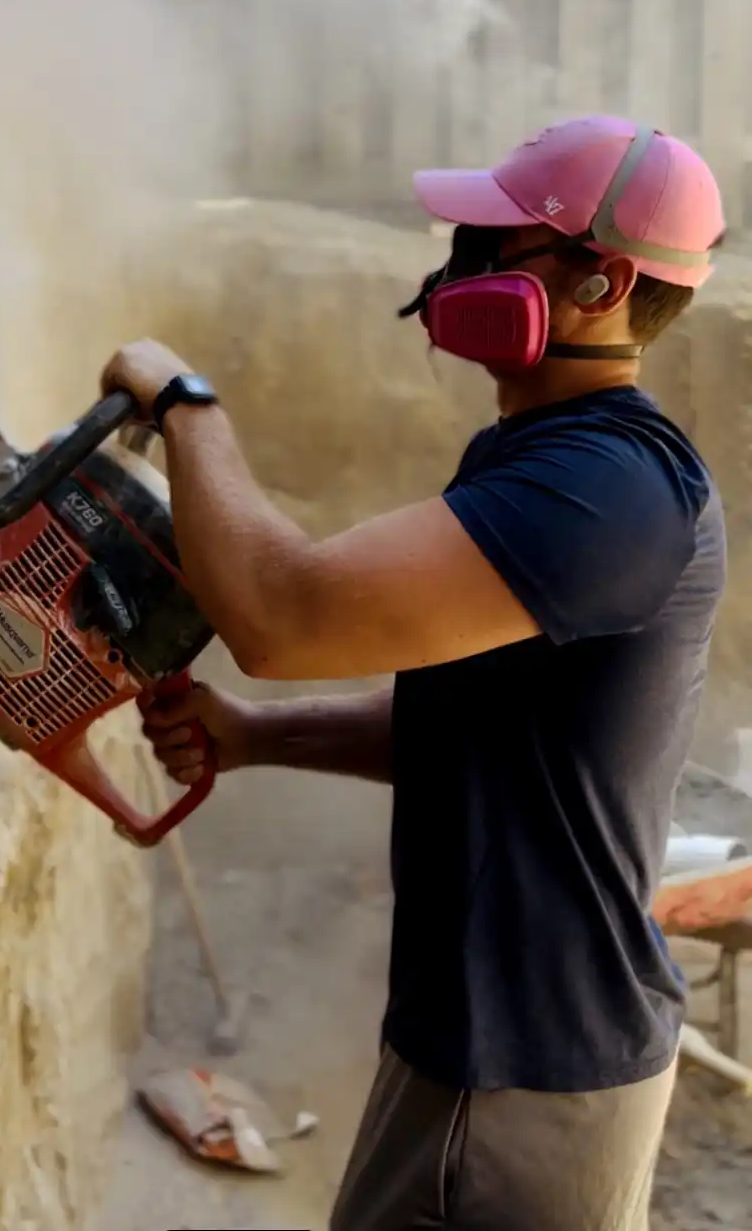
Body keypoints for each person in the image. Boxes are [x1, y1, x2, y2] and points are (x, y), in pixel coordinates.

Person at [101, 115, 728, 1231]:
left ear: (603, 282)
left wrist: (185, 404)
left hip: (520, 1076)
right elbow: (492, 730)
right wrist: (257, 733)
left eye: (494, 242)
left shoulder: (604, 492)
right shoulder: (553, 464)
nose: (456, 266)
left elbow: (282, 614)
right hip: (497, 1055)